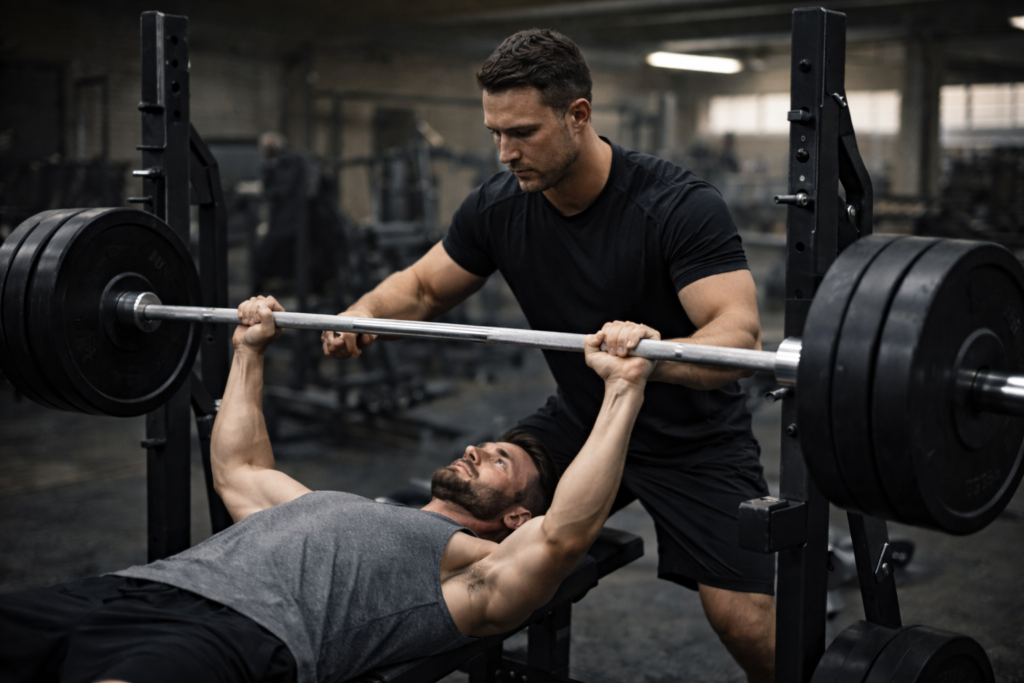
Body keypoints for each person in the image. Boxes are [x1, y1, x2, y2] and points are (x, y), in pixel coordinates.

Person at [321, 29, 775, 682]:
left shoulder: (676, 205)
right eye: (495, 133)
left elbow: (739, 337)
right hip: (580, 418)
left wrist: (646, 357)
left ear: (578, 116)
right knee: (464, 517)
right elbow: (422, 287)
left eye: (523, 133)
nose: (505, 153)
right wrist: (365, 312)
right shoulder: (500, 208)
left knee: (745, 621)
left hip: (694, 437)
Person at [0, 296, 656, 683]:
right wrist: (250, 347)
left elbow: (566, 534)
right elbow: (240, 470)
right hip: (141, 586)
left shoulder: (476, 574)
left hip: (238, 638)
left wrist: (622, 386)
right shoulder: (340, 508)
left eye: (501, 459)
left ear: (517, 514)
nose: (476, 447)